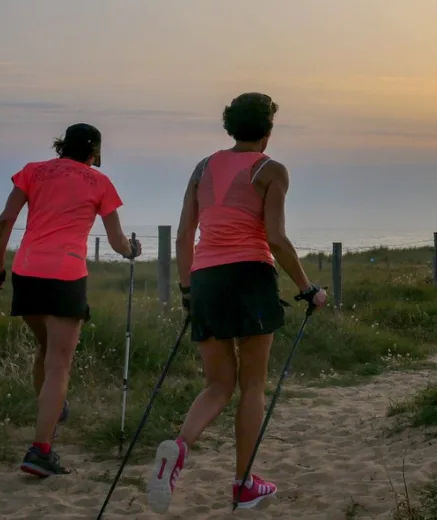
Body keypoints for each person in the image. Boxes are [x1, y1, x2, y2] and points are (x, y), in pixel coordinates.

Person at [146, 93, 327, 513]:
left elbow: (182, 234)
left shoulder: (202, 167)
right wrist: (306, 287)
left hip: (206, 278)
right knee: (251, 387)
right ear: (267, 130)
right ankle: (244, 483)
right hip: (250, 275)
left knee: (217, 385)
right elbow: (277, 238)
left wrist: (188, 291)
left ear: (230, 126)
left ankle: (178, 446)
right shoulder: (272, 169)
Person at [0, 123, 142, 477]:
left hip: (27, 270)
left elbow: (5, 219)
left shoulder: (32, 172)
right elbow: (116, 241)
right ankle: (40, 450)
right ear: (94, 153)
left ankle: (50, 409)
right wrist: (131, 251)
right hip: (66, 275)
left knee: (46, 350)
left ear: (63, 146)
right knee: (59, 363)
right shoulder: (100, 183)